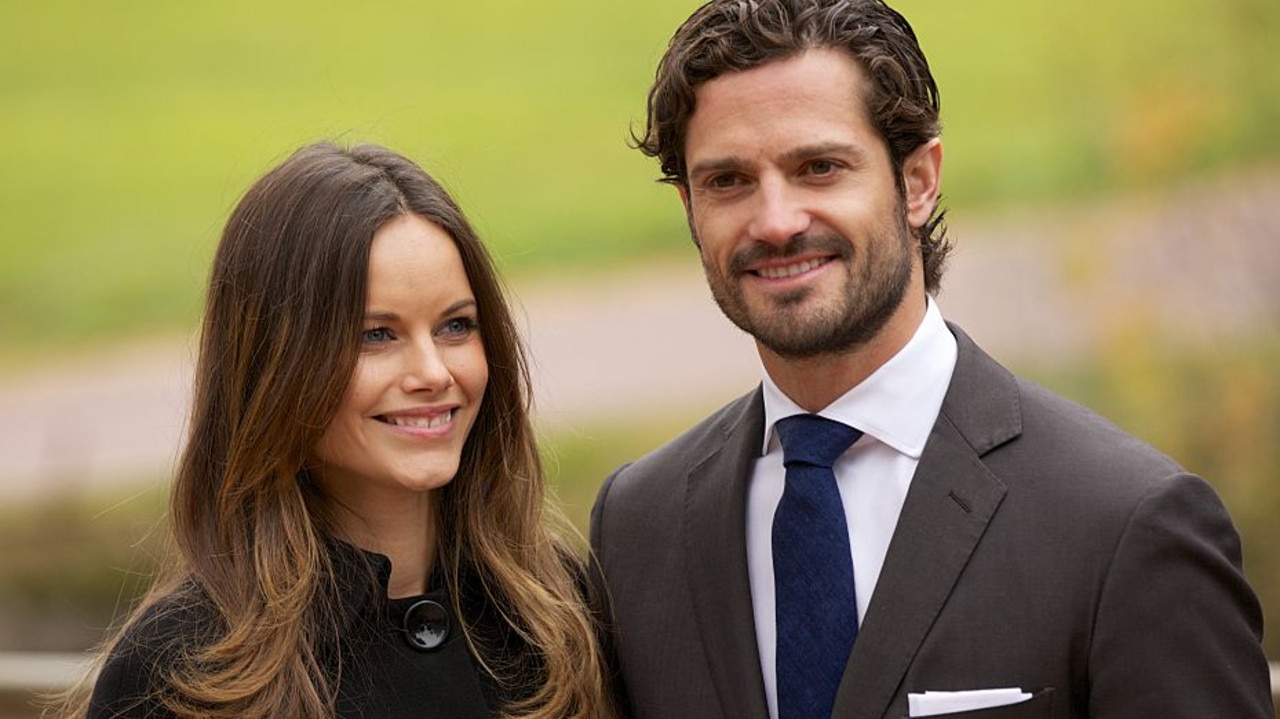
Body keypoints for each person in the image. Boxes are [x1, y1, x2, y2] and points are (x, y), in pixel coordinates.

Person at [589, 1, 1273, 717]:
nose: (775, 221)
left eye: (819, 167)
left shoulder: (1126, 523)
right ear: (688, 207)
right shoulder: (637, 526)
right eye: (727, 181)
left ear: (917, 181)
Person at [56, 141, 615, 719]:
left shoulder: (561, 614)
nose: (432, 372)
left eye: (456, 326)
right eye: (376, 335)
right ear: (276, 365)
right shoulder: (180, 671)